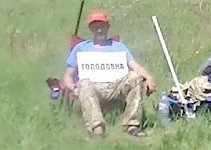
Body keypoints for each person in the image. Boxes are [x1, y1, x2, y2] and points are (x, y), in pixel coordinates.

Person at [63, 10, 156, 138]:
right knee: (84, 83)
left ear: (107, 27)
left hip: (116, 86)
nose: (99, 30)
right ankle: (97, 129)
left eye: (102, 27)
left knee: (134, 76)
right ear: (91, 29)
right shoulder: (81, 48)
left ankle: (132, 125)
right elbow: (68, 76)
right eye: (96, 27)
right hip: (93, 87)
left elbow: (136, 66)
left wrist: (148, 77)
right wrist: (74, 88)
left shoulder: (119, 47)